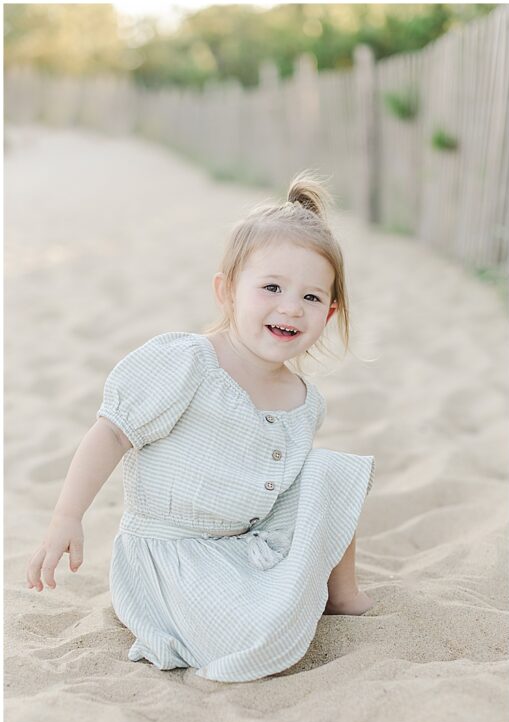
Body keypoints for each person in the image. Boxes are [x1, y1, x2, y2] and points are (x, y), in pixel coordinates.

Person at [24, 171, 375, 683]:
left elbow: (285, 490)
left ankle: (339, 594)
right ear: (228, 292)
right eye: (272, 288)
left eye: (312, 298)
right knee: (251, 633)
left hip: (245, 539)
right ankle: (267, 605)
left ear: (330, 312)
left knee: (333, 474)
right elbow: (112, 431)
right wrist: (67, 515)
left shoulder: (304, 400)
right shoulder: (189, 363)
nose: (291, 307)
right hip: (174, 553)